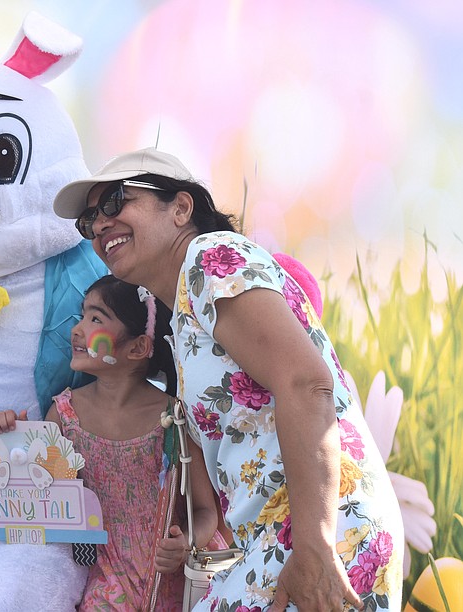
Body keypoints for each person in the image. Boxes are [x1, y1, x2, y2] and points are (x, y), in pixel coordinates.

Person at [52, 148, 405, 611]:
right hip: (282, 538)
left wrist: (316, 547)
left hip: (323, 533)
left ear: (181, 208)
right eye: (89, 219)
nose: (99, 224)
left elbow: (306, 384)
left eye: (116, 201)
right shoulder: (182, 319)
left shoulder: (210, 256)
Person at [0, 274, 226, 610]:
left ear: (138, 347)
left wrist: (186, 542)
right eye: (82, 315)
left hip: (177, 580)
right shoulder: (65, 415)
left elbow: (204, 511)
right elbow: (36, 495)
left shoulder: (175, 418)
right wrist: (13, 434)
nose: (77, 329)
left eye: (95, 318)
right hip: (106, 577)